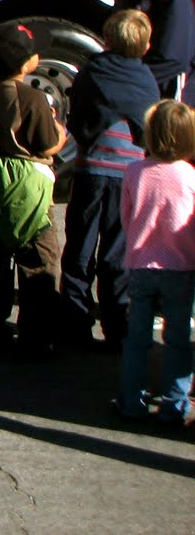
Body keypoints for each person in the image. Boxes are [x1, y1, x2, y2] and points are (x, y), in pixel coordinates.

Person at [60, 9, 160, 351]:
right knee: (117, 253)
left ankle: (74, 324)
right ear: (145, 46)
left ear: (107, 38)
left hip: (90, 171)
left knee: (78, 248)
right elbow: (150, 129)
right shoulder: (146, 80)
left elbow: (78, 119)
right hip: (127, 176)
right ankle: (118, 327)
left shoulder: (92, 71)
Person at [0, 22, 68, 359]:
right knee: (40, 258)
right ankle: (37, 334)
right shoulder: (34, 97)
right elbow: (47, 143)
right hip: (30, 189)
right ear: (27, 63)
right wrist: (62, 136)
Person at [115, 99, 195, 422]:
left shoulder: (135, 171)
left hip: (141, 264)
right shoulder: (190, 177)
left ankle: (131, 400)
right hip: (182, 267)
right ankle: (175, 405)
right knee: (178, 339)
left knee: (137, 337)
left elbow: (126, 218)